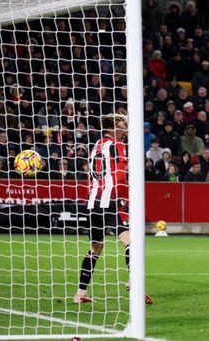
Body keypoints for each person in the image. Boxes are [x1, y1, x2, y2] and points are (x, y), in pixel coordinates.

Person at [73, 115, 153, 305]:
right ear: (111, 129)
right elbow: (120, 176)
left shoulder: (95, 147)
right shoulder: (117, 146)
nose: (125, 131)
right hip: (112, 200)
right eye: (122, 127)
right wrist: (124, 200)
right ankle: (135, 284)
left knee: (96, 247)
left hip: (92, 203)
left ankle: (80, 293)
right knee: (130, 241)